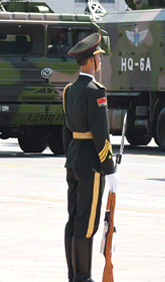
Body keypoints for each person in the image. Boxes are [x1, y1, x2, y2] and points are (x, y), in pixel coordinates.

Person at [62, 33, 118, 282]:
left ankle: (73, 275)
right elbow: (101, 135)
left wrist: (71, 156)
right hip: (91, 163)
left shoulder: (69, 91)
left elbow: (66, 131)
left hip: (73, 159)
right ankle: (83, 277)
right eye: (99, 58)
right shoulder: (95, 92)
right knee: (87, 222)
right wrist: (110, 168)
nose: (101, 62)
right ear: (91, 61)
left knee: (74, 217)